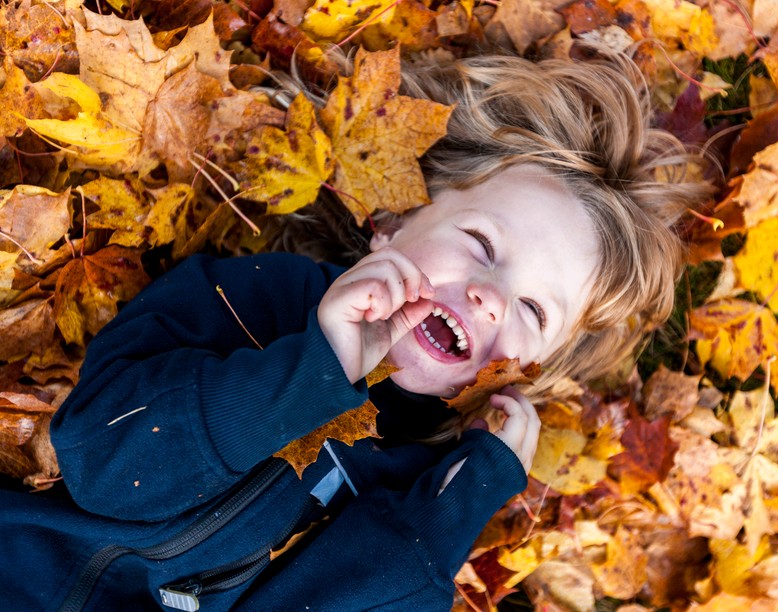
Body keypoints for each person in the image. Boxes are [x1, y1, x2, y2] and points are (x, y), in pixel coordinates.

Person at [0, 50, 710, 610]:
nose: (492, 298)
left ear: (535, 366)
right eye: (481, 246)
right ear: (392, 222)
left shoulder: (422, 487)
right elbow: (104, 469)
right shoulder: (253, 299)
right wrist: (313, 371)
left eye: (533, 312)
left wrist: (453, 512)